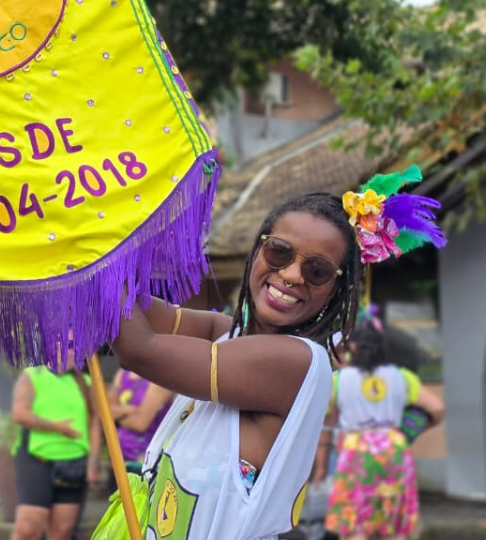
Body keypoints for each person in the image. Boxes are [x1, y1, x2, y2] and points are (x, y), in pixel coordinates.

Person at [108, 192, 361, 540]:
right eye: (279, 252)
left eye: (316, 271)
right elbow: (147, 314)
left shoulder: (296, 362)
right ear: (257, 251)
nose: (291, 275)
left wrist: (95, 256)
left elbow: (139, 349)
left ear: (333, 291)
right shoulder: (227, 333)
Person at [319, 318, 445, 540]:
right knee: (392, 523)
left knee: (356, 522)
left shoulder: (339, 380)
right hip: (393, 448)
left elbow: (329, 419)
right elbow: (437, 408)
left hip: (357, 449)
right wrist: (409, 431)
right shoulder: (401, 377)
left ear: (353, 349)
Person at [9, 342, 102, 540]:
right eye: (67, 345)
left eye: (75, 346)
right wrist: (57, 427)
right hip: (37, 458)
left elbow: (94, 421)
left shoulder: (85, 382)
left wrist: (93, 463)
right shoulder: (34, 375)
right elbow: (19, 413)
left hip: (74, 461)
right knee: (28, 527)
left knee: (63, 531)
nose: (72, 350)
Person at [107, 369, 172, 474]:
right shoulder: (122, 373)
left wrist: (116, 416)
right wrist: (130, 410)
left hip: (144, 462)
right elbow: (105, 411)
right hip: (118, 457)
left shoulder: (159, 379)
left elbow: (140, 424)